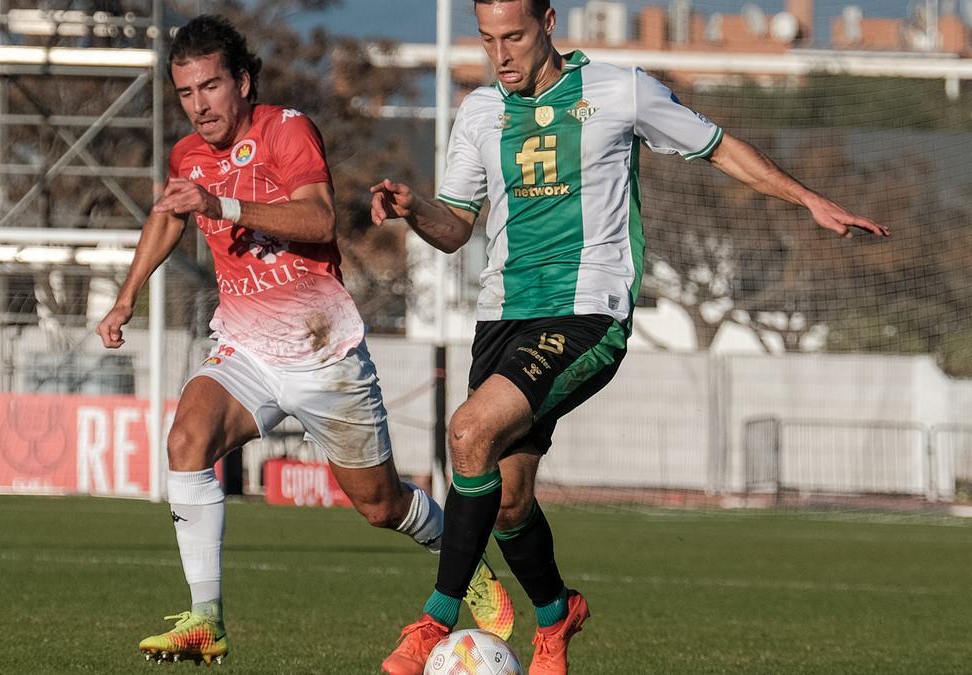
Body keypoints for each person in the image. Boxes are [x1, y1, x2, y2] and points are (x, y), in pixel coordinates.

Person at [372, 2, 890, 673]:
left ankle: (431, 624)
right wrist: (416, 211)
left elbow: (719, 145)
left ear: (549, 22)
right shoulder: (478, 113)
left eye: (515, 37)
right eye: (488, 39)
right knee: (509, 499)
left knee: (469, 432)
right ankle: (556, 618)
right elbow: (456, 229)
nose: (500, 54)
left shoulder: (621, 89)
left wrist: (810, 199)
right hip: (502, 317)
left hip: (589, 310)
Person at [95, 15, 514, 665]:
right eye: (185, 93)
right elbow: (168, 214)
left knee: (381, 504)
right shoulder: (188, 157)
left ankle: (467, 562)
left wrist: (221, 205)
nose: (199, 105)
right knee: (186, 439)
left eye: (210, 87)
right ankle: (207, 618)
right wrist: (127, 294)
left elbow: (319, 218)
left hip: (324, 352)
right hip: (246, 348)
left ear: (241, 80)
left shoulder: (286, 130)